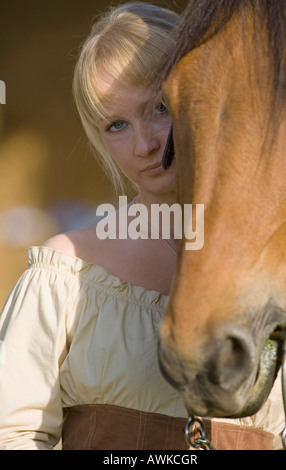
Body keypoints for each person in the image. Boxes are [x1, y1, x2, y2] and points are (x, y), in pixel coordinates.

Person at [0, 2, 188, 450]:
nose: (145, 144)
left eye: (160, 107)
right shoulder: (66, 272)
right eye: (117, 124)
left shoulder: (284, 272)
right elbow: (14, 435)